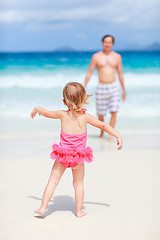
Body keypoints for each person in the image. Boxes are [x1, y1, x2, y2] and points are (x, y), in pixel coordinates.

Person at [30, 82, 123, 218]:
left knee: (53, 181)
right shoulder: (86, 117)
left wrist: (36, 108)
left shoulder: (62, 114)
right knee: (78, 184)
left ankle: (43, 207)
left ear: (64, 101)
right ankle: (79, 211)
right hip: (78, 158)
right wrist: (117, 135)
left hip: (62, 156)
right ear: (84, 99)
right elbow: (103, 125)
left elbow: (45, 113)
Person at [84, 35, 126, 137]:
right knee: (101, 113)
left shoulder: (117, 56)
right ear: (102, 43)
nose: (107, 44)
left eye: (109, 42)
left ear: (112, 44)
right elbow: (89, 72)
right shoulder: (96, 56)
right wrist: (83, 87)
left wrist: (124, 90)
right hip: (101, 87)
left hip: (113, 87)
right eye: (105, 42)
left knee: (114, 112)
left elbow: (120, 74)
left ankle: (111, 135)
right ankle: (102, 133)